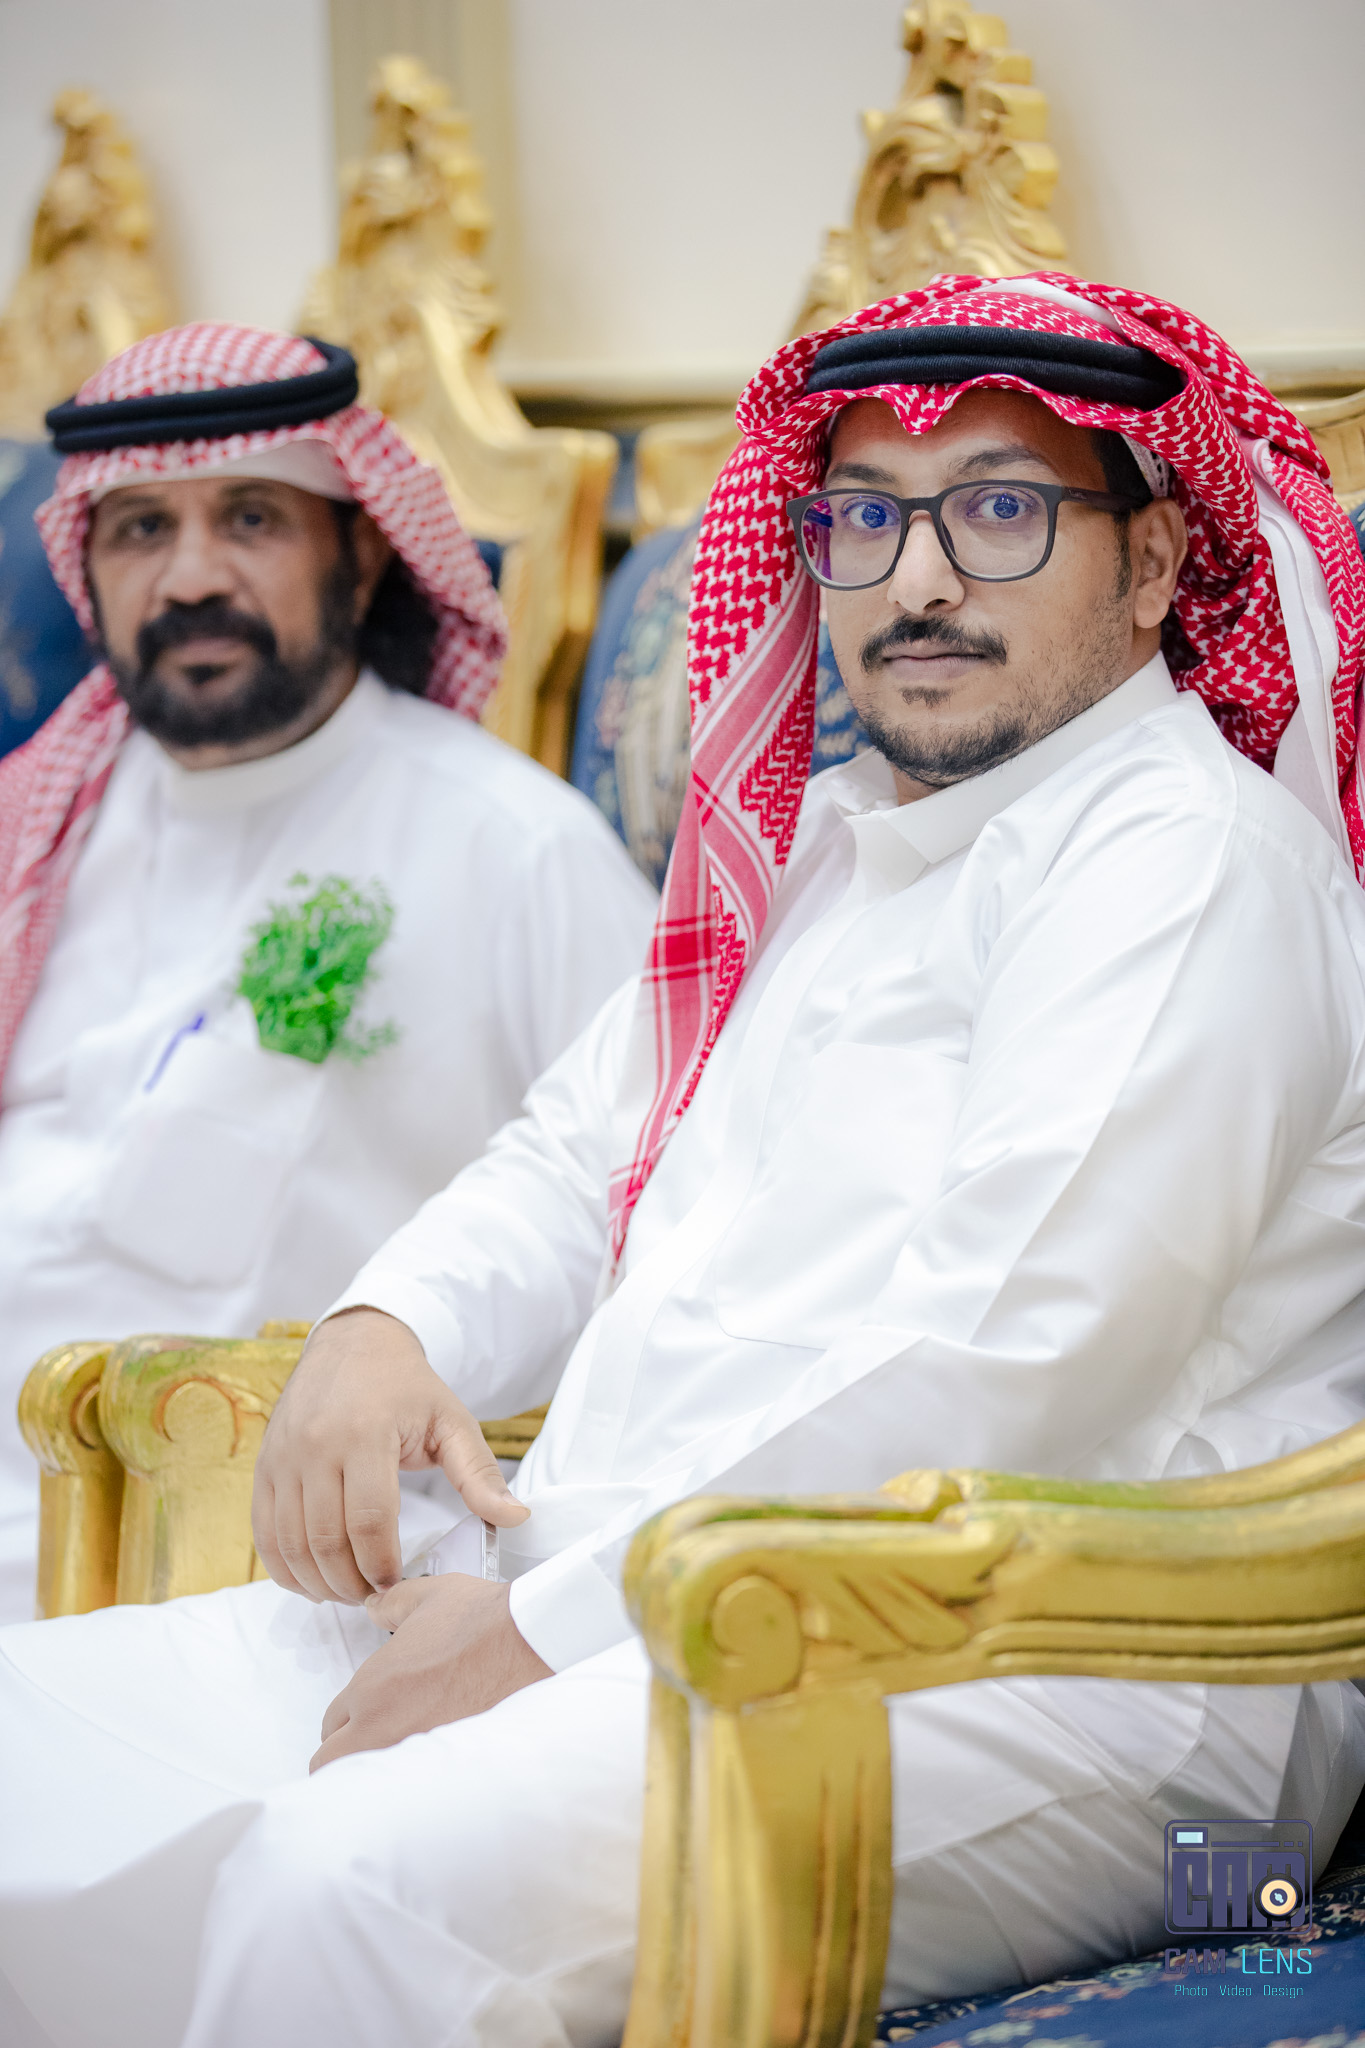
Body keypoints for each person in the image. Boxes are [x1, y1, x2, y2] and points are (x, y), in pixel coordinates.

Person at [3, 274, 1365, 2048]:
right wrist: (387, 1323)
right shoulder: (833, 849)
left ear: (1160, 560)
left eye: (998, 512)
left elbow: (1007, 1358)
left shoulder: (1181, 861)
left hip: (1067, 1683)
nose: (917, 579)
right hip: (627, 1591)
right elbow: (576, 1153)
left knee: (342, 1887)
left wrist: (540, 1637)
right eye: (865, 518)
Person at [0, 322, 657, 1623]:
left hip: (228, 1567)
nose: (192, 577)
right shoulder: (43, 819)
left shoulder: (511, 850)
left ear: (359, 548)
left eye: (251, 519)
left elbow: (652, 1209)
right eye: (141, 530)